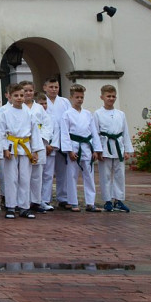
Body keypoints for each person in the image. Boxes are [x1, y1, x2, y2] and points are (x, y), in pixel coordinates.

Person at [0, 83, 43, 218]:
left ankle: (24, 206)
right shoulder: (4, 113)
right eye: (16, 96)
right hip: (11, 147)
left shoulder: (29, 112)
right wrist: (5, 148)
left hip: (25, 147)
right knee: (11, 178)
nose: (19, 98)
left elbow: (35, 132)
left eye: (21, 95)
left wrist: (35, 150)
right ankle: (11, 206)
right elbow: (1, 132)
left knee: (25, 178)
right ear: (9, 97)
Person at [58, 84, 103, 212]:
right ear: (71, 97)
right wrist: (69, 150)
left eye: (81, 97)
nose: (79, 99)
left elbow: (93, 132)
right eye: (77, 97)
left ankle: (90, 202)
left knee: (89, 175)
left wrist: (96, 149)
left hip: (87, 146)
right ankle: (73, 202)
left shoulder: (88, 114)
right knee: (72, 175)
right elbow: (65, 134)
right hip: (74, 146)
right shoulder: (66, 114)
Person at [94, 84, 133, 212]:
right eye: (108, 96)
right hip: (105, 146)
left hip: (118, 146)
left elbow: (125, 132)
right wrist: (97, 150)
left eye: (113, 96)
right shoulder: (97, 114)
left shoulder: (120, 114)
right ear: (102, 97)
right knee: (105, 175)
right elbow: (95, 133)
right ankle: (107, 200)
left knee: (119, 175)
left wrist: (127, 150)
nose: (111, 98)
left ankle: (119, 199)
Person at [21, 80, 54, 213]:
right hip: (23, 143)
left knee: (37, 174)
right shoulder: (17, 107)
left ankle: (36, 200)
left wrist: (42, 140)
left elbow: (48, 124)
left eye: (30, 90)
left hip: (38, 143)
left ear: (34, 91)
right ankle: (24, 201)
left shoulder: (39, 108)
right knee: (24, 174)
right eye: (25, 90)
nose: (28, 93)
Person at [40, 75, 70, 209]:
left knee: (63, 171)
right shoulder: (40, 102)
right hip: (46, 143)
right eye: (51, 87)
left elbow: (67, 123)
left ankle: (63, 197)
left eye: (56, 87)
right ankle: (44, 199)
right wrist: (48, 144)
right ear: (45, 88)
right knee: (46, 173)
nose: (53, 90)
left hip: (62, 141)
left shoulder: (64, 102)